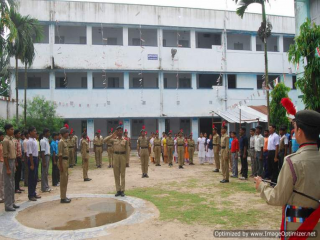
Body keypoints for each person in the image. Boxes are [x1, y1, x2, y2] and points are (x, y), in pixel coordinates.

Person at [255, 109, 320, 236]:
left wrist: (261, 186)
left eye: (295, 128)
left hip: (299, 227)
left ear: (300, 132)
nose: (294, 132)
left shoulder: (292, 161)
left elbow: (278, 198)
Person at [104, 124, 130, 197]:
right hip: (115, 156)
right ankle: (118, 190)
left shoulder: (125, 140)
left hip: (122, 157)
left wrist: (127, 161)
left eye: (120, 131)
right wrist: (112, 135)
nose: (119, 132)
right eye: (118, 131)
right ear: (116, 132)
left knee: (122, 174)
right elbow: (104, 140)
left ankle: (122, 190)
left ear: (122, 132)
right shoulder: (113, 140)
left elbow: (127, 151)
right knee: (116, 174)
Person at [2, 124, 19, 211]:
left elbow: (14, 153)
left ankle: (12, 202)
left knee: (12, 183)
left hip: (12, 161)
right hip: (8, 162)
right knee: (8, 184)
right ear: (7, 130)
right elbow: (5, 155)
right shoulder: (5, 141)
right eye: (11, 129)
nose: (13, 131)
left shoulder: (12, 140)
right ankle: (8, 205)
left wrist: (15, 164)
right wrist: (8, 168)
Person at [27, 127, 41, 202]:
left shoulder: (35, 140)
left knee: (35, 178)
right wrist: (32, 164)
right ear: (30, 132)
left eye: (36, 131)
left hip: (35, 158)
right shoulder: (30, 141)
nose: (35, 132)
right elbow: (30, 153)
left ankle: (34, 192)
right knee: (31, 178)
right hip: (32, 159)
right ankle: (31, 195)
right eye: (34, 131)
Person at [58, 126, 71, 203]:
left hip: (66, 161)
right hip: (62, 161)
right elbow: (60, 155)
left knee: (65, 180)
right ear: (63, 134)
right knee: (63, 180)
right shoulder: (61, 142)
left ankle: (64, 195)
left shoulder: (65, 141)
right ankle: (62, 198)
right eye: (66, 132)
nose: (68, 134)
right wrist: (61, 166)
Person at [40, 128, 51, 193]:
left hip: (48, 156)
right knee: (44, 172)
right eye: (48, 132)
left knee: (46, 172)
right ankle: (44, 187)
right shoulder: (43, 141)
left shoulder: (47, 140)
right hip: (45, 156)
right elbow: (42, 152)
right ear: (45, 133)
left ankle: (46, 186)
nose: (49, 134)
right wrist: (43, 161)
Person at [14, 129, 23, 193]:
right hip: (16, 158)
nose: (20, 135)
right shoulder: (15, 141)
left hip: (20, 158)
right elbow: (15, 152)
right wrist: (16, 161)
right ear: (15, 134)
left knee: (19, 173)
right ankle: (15, 188)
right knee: (16, 174)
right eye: (18, 133)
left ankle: (18, 186)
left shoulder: (19, 141)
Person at [0, 131, 4, 203]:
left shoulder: (1, 144)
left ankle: (3, 195)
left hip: (2, 161)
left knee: (2, 179)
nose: (3, 137)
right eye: (2, 136)